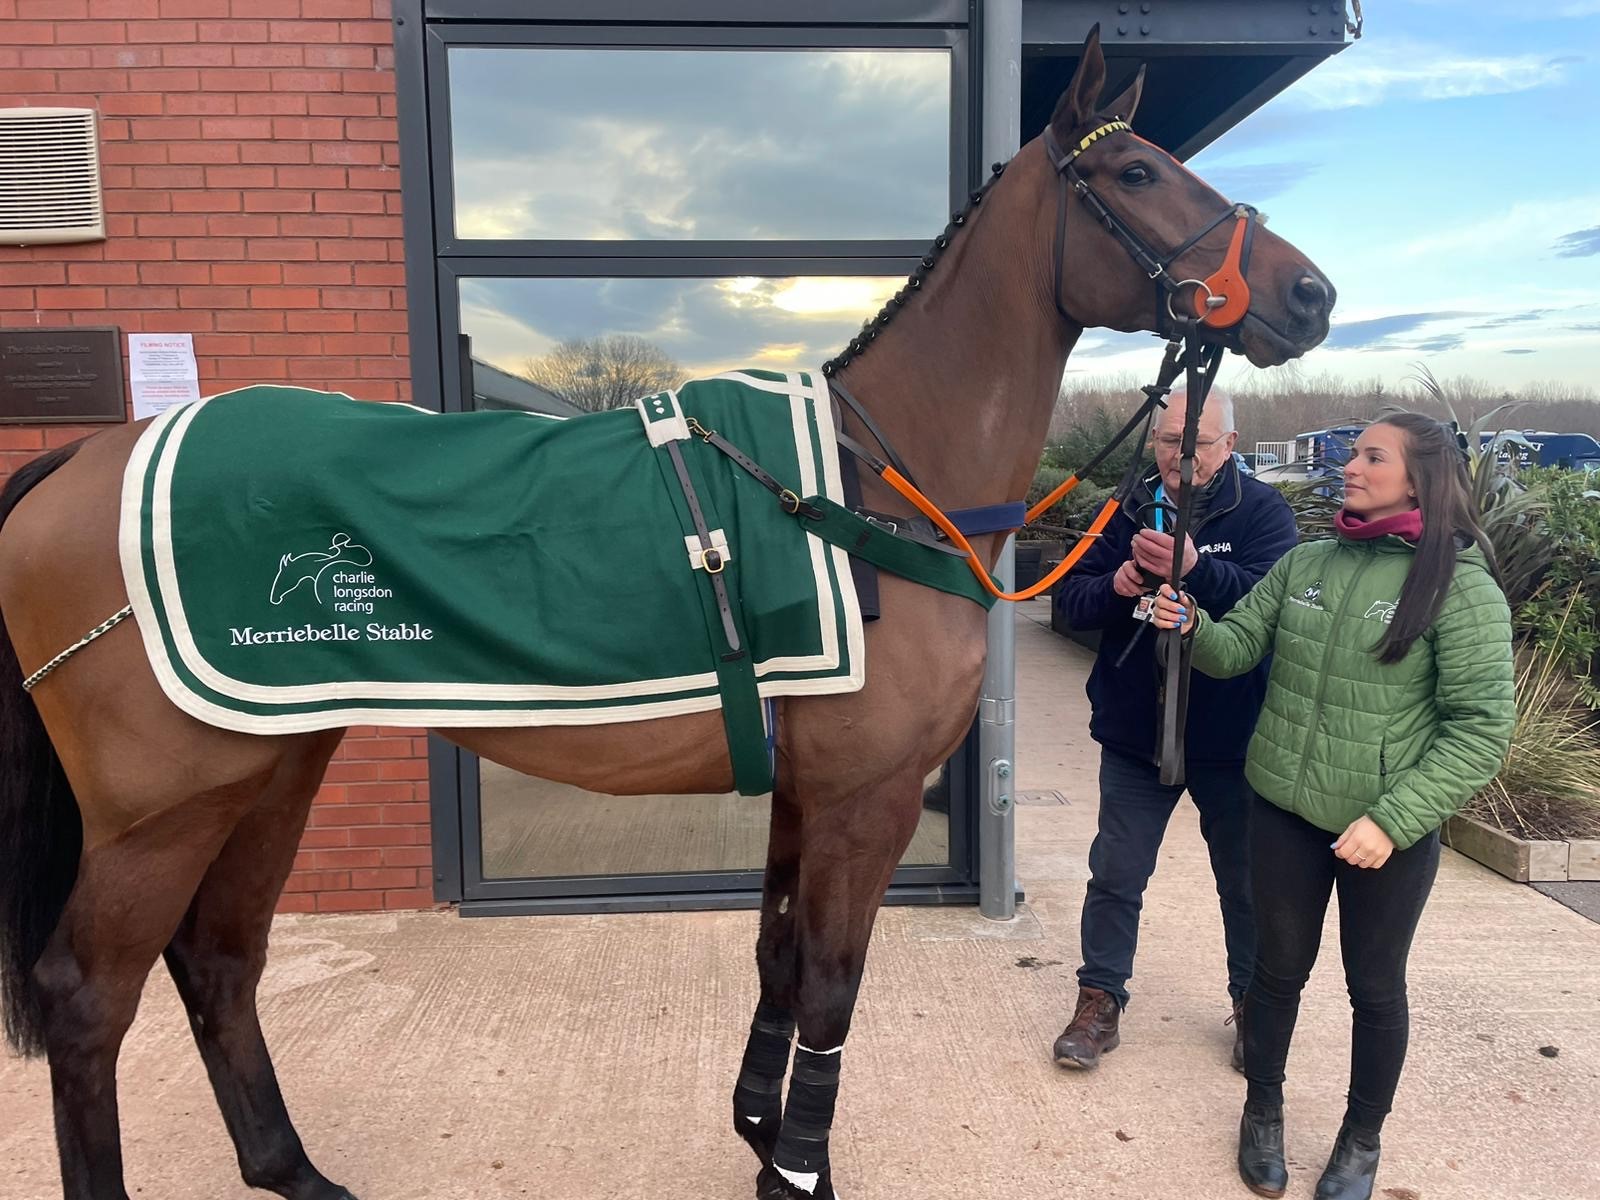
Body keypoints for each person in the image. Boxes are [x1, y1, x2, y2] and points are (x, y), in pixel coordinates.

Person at [1150, 413, 1515, 1200]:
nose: (1350, 466)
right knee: (1275, 976)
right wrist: (1192, 624)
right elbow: (1236, 649)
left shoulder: (1460, 585)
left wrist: (1392, 820)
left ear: (1416, 479)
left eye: (1370, 456)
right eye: (1352, 453)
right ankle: (1263, 1113)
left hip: (1386, 830)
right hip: (1282, 805)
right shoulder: (1307, 560)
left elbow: (1480, 730)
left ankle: (1360, 1138)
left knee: (1375, 990)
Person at [1051, 386, 1299, 1072]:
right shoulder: (1125, 506)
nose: (1180, 457)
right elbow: (1068, 600)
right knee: (1116, 873)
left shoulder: (1263, 512)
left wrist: (1197, 569)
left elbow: (1270, 603)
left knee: (1244, 883)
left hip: (1231, 740)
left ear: (1230, 447)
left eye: (1198, 444)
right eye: (1168, 441)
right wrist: (1121, 582)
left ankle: (1253, 1009)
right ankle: (1099, 1004)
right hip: (1135, 734)